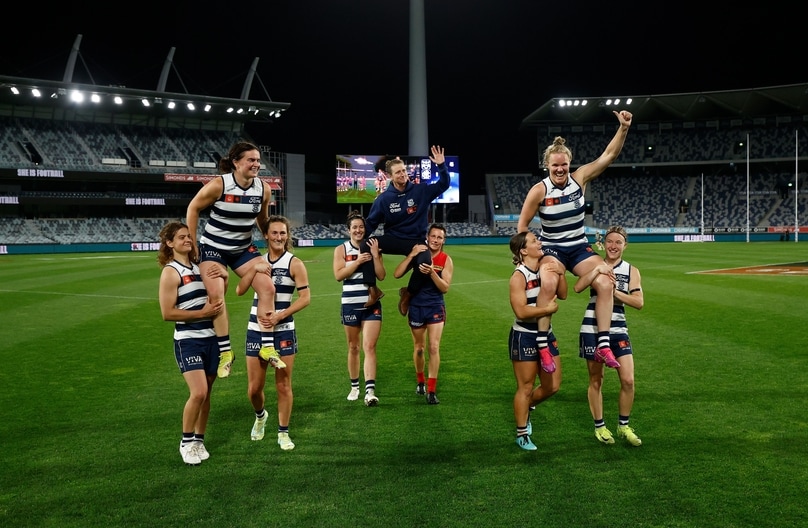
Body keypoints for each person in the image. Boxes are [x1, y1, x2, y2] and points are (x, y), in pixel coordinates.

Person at [517, 110, 633, 371]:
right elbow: (522, 227)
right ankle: (543, 345)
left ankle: (603, 345)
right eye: (555, 165)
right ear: (547, 165)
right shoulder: (539, 190)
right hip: (553, 248)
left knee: (605, 281)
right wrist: (526, 256)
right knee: (547, 281)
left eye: (564, 164)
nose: (560, 169)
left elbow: (609, 155)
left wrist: (623, 127)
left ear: (569, 163)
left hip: (579, 247)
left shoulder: (579, 178)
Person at [185, 141, 281, 380]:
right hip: (214, 247)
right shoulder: (220, 184)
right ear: (236, 162)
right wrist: (194, 243)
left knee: (268, 287)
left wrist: (271, 242)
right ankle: (226, 352)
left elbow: (262, 220)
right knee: (216, 294)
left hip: (242, 249)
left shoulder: (263, 189)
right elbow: (193, 208)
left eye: (258, 160)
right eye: (251, 160)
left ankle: (267, 345)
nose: (257, 164)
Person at [236, 215, 311, 451]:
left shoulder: (294, 263)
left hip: (284, 330)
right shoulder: (255, 261)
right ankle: (260, 416)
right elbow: (240, 289)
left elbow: (306, 298)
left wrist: (281, 315)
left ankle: (283, 433)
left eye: (283, 233)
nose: (279, 237)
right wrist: (251, 270)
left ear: (287, 236)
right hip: (256, 331)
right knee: (254, 389)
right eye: (275, 233)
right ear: (266, 235)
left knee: (283, 385)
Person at [157, 221, 225, 465]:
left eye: (189, 236)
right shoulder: (170, 271)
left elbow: (219, 294)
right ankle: (186, 442)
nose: (188, 240)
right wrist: (201, 313)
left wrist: (224, 275)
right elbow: (167, 313)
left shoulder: (199, 267)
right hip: (188, 340)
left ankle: (199, 440)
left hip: (211, 339)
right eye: (182, 237)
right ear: (170, 243)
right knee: (198, 392)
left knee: (207, 395)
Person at [574, 225, 644, 447]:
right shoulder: (596, 264)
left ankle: (623, 426)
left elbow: (639, 302)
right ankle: (600, 427)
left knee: (628, 379)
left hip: (619, 329)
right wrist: (597, 273)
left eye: (618, 242)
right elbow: (578, 286)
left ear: (625, 245)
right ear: (604, 244)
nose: (614, 246)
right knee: (596, 379)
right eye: (610, 241)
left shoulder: (632, 270)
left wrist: (612, 292)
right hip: (592, 328)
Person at [361, 145, 451, 312]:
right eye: (398, 172)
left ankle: (407, 295)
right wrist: (357, 238)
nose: (402, 174)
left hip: (415, 240)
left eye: (404, 170)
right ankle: (373, 290)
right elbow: (371, 224)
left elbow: (444, 184)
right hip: (394, 239)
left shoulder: (421, 190)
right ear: (389, 176)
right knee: (365, 245)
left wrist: (441, 165)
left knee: (425, 260)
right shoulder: (383, 199)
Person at [508, 230, 567, 450]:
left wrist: (560, 273)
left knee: (553, 386)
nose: (539, 242)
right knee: (525, 387)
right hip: (524, 335)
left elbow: (563, 294)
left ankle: (527, 407)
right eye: (534, 241)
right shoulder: (519, 276)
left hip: (546, 334)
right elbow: (521, 311)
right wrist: (546, 308)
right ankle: (522, 433)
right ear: (523, 250)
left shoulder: (546, 267)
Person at [393, 223, 453, 404]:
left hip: (435, 306)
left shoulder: (446, 259)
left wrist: (433, 273)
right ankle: (420, 381)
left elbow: (445, 288)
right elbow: (397, 274)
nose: (435, 240)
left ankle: (432, 390)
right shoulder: (419, 253)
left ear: (444, 240)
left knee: (434, 347)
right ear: (427, 237)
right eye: (433, 236)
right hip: (417, 306)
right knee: (419, 348)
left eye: (439, 237)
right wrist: (411, 255)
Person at [333, 211, 386, 406]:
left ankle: (370, 391)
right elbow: (338, 275)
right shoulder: (341, 250)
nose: (358, 230)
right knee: (353, 347)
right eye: (354, 227)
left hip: (372, 304)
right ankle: (354, 386)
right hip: (350, 304)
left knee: (369, 346)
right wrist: (357, 261)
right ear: (348, 230)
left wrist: (374, 256)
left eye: (361, 227)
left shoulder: (373, 247)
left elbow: (381, 276)